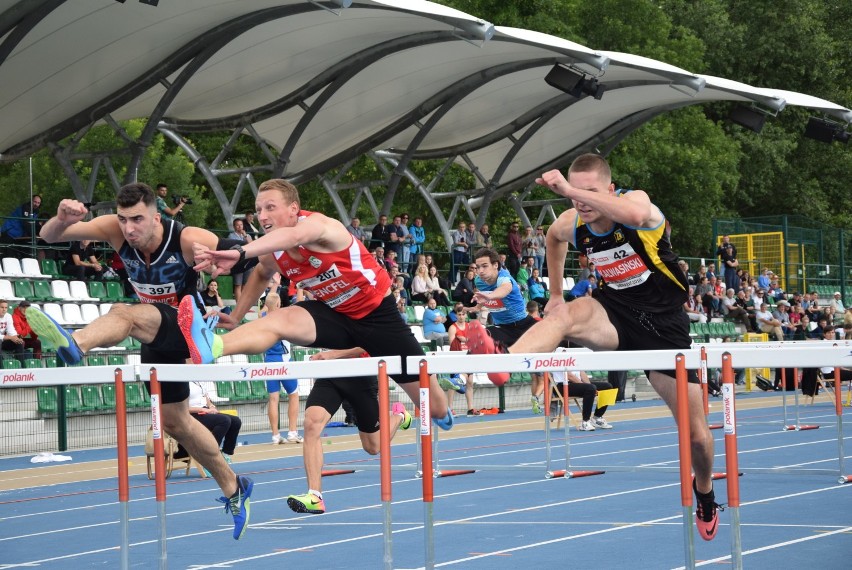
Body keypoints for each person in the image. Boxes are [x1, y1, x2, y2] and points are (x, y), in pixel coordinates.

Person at [465, 154, 720, 541]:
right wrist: (553, 293)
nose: (580, 201)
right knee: (564, 315)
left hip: (663, 328)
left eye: (589, 192)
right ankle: (506, 361)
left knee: (697, 437)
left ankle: (704, 494)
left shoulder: (637, 204)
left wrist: (567, 190)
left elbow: (635, 217)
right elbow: (552, 237)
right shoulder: (572, 222)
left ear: (610, 189)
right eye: (573, 193)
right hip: (613, 314)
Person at [23, 183, 253, 540]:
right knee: (177, 423)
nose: (129, 229)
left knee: (123, 312)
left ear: (157, 217)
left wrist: (230, 293)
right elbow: (48, 236)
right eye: (123, 219)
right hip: (155, 335)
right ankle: (234, 487)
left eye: (138, 220)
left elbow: (249, 257)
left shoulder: (187, 237)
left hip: (185, 327)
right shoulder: (114, 230)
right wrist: (62, 217)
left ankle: (75, 344)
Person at [177, 178, 457, 431]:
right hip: (335, 317)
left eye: (270, 207)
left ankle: (438, 411)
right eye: (258, 210)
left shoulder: (321, 226)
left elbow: (295, 237)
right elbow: (262, 272)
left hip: (378, 319)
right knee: (280, 319)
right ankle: (214, 345)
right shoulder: (273, 249)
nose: (262, 216)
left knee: (434, 407)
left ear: (293, 209)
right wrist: (237, 315)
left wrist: (239, 253)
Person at [286, 347, 413, 514]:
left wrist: (333, 354)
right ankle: (315, 496)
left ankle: (399, 415)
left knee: (373, 447)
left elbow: (367, 343)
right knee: (311, 424)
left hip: (360, 373)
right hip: (331, 373)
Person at [464, 247, 536, 386]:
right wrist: (477, 307)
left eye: (485, 266)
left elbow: (504, 289)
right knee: (479, 338)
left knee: (550, 354)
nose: (480, 271)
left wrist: (489, 296)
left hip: (525, 327)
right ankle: (460, 378)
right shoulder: (479, 281)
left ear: (495, 265)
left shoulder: (504, 277)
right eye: (478, 267)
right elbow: (484, 299)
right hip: (503, 329)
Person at [260, 293, 303, 445]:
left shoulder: (263, 316)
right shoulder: (283, 317)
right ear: (278, 305)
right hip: (284, 361)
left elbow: (268, 304)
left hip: (269, 360)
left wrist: (272, 290)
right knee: (294, 394)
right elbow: (299, 307)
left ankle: (275, 435)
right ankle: (292, 432)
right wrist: (300, 291)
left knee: (273, 398)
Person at [187, 381, 242, 469]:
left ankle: (225, 453)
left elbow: (206, 398)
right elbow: (184, 408)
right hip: (192, 415)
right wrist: (203, 410)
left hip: (204, 412)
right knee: (224, 421)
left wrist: (211, 407)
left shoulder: (199, 381)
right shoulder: (184, 384)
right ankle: (210, 455)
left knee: (236, 421)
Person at [550, 366, 613, 431]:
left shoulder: (575, 357)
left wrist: (590, 386)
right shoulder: (561, 358)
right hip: (563, 386)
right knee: (590, 388)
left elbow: (581, 372)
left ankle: (597, 417)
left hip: (576, 383)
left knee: (607, 387)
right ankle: (585, 422)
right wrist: (588, 386)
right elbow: (569, 376)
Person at [446, 308, 481, 416]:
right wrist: (459, 339)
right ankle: (449, 408)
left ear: (466, 315)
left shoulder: (469, 326)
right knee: (454, 383)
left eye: (463, 314)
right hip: (457, 358)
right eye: (459, 314)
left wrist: (465, 339)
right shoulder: (453, 327)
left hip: (468, 357)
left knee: (470, 382)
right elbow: (452, 344)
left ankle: (470, 408)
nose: (461, 316)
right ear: (456, 315)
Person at [227, 219, 253, 302]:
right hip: (237, 262)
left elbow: (252, 245)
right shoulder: (231, 236)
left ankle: (244, 305)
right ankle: (238, 305)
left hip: (247, 261)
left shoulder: (247, 236)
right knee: (238, 284)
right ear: (234, 226)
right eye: (237, 225)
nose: (240, 227)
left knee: (245, 285)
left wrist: (245, 235)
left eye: (241, 225)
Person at [0, 299, 27, 364]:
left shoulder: (8, 316)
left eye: (6, 307)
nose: (4, 309)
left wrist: (16, 337)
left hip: (2, 341)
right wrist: (10, 337)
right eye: (2, 307)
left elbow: (11, 331)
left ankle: (20, 366)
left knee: (19, 342)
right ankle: (1, 368)